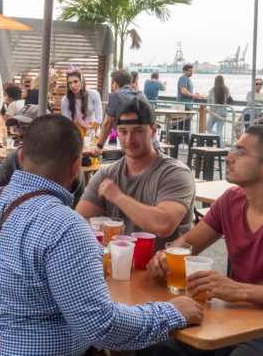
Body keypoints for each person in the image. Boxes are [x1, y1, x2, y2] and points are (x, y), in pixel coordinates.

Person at [0, 114, 202, 355]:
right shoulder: (65, 226)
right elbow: (102, 326)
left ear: (21, 157)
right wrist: (172, 313)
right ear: (77, 166)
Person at [142, 125, 263, 356]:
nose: (229, 158)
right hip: (231, 318)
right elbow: (187, 245)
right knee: (150, 343)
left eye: (240, 152)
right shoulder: (231, 200)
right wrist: (164, 258)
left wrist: (241, 291)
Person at [76, 99, 196, 252]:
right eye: (123, 131)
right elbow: (79, 219)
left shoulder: (176, 173)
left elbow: (164, 226)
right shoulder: (107, 174)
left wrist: (118, 197)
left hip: (165, 272)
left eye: (138, 131)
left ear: (153, 131)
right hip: (120, 268)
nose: (129, 139)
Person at [0, 104, 86, 202]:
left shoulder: (63, 159)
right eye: (17, 128)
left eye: (25, 128)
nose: (18, 134)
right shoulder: (16, 154)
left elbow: (76, 204)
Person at [91, 69, 159, 158]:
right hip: (152, 145)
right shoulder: (140, 94)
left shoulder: (116, 96)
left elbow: (108, 123)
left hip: (133, 147)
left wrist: (99, 146)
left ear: (114, 84)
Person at [60, 67, 103, 140]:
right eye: (69, 83)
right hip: (75, 130)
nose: (72, 85)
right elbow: (66, 122)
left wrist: (90, 136)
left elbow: (99, 118)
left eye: (75, 81)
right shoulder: (65, 100)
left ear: (81, 81)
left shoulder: (94, 94)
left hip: (93, 128)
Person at [207, 75, 231, 147]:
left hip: (214, 112)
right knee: (219, 129)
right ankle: (220, 144)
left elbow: (208, 102)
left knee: (208, 128)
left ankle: (219, 139)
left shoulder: (212, 90)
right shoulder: (226, 89)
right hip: (224, 112)